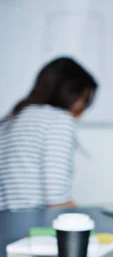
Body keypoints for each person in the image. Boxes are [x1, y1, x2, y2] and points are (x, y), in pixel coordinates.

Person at [0, 57, 97, 211]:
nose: (81, 111)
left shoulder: (10, 120)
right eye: (84, 100)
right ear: (69, 91)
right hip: (34, 227)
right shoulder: (58, 120)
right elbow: (56, 199)